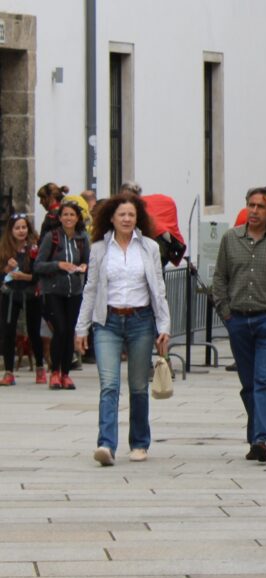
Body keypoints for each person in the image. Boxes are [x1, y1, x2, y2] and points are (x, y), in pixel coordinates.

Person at [74, 194, 172, 466]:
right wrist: (81, 328)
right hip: (108, 322)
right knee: (109, 384)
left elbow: (159, 289)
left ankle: (139, 442)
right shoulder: (99, 250)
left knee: (139, 386)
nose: (127, 219)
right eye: (122, 215)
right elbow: (90, 289)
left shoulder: (150, 247)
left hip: (141, 321)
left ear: (137, 217)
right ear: (111, 219)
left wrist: (164, 325)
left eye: (131, 215)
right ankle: (106, 444)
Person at [212, 188, 266, 462]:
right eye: (250, 205)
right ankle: (256, 436)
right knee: (248, 383)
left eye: (260, 206)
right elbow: (219, 278)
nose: (254, 211)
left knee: (264, 380)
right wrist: (225, 311)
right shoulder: (230, 239)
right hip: (237, 320)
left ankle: (263, 439)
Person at [34, 201, 89, 390]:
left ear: (77, 218)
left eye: (72, 215)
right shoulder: (52, 237)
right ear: (59, 218)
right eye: (65, 215)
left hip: (75, 291)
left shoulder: (82, 238)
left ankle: (66, 373)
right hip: (53, 290)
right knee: (61, 329)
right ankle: (55, 371)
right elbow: (38, 265)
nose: (68, 218)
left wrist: (83, 267)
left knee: (70, 331)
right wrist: (58, 265)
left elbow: (88, 262)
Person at [1, 214, 45, 385]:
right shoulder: (4, 249)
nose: (21, 231)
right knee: (8, 332)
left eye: (24, 227)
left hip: (30, 293)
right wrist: (6, 269)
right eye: (17, 228)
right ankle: (9, 372)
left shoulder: (35, 249)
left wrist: (24, 276)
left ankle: (40, 367)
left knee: (34, 331)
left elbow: (38, 275)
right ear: (11, 231)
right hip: (10, 294)